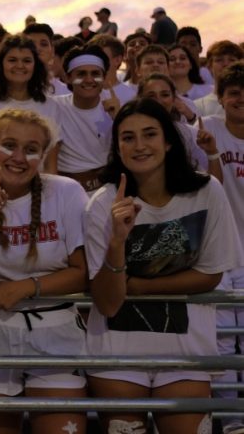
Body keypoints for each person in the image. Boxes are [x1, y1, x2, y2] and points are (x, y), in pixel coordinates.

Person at [84, 98, 241, 434]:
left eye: (150, 134)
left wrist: (140, 286)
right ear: (117, 147)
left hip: (187, 352)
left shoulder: (206, 191)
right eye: (127, 137)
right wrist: (116, 242)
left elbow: (210, 275)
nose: (139, 145)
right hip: (116, 354)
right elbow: (109, 302)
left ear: (168, 141)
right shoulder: (102, 203)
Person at [0, 108, 89, 434]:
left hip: (57, 334)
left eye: (31, 149)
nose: (18, 157)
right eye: (9, 145)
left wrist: (25, 287)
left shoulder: (67, 192)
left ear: (42, 155)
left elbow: (83, 272)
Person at [200, 62, 244, 434]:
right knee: (222, 341)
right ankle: (232, 422)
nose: (240, 99)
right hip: (221, 251)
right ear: (222, 97)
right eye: (234, 92)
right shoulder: (208, 128)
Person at [0, 35, 63, 176]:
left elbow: (50, 164)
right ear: (1, 64)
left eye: (26, 61)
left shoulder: (51, 106)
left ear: (35, 66)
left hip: (38, 194)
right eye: (12, 60)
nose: (20, 66)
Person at [54, 46, 114, 193]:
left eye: (95, 73)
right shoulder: (54, 106)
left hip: (105, 190)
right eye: (81, 74)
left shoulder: (115, 109)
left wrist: (118, 117)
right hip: (66, 192)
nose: (89, 80)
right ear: (68, 77)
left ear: (104, 77)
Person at [137, 73, 210, 171]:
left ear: (173, 99)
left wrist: (212, 152)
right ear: (140, 99)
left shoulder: (189, 133)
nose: (159, 101)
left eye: (165, 95)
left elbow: (209, 177)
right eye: (151, 96)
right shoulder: (131, 132)